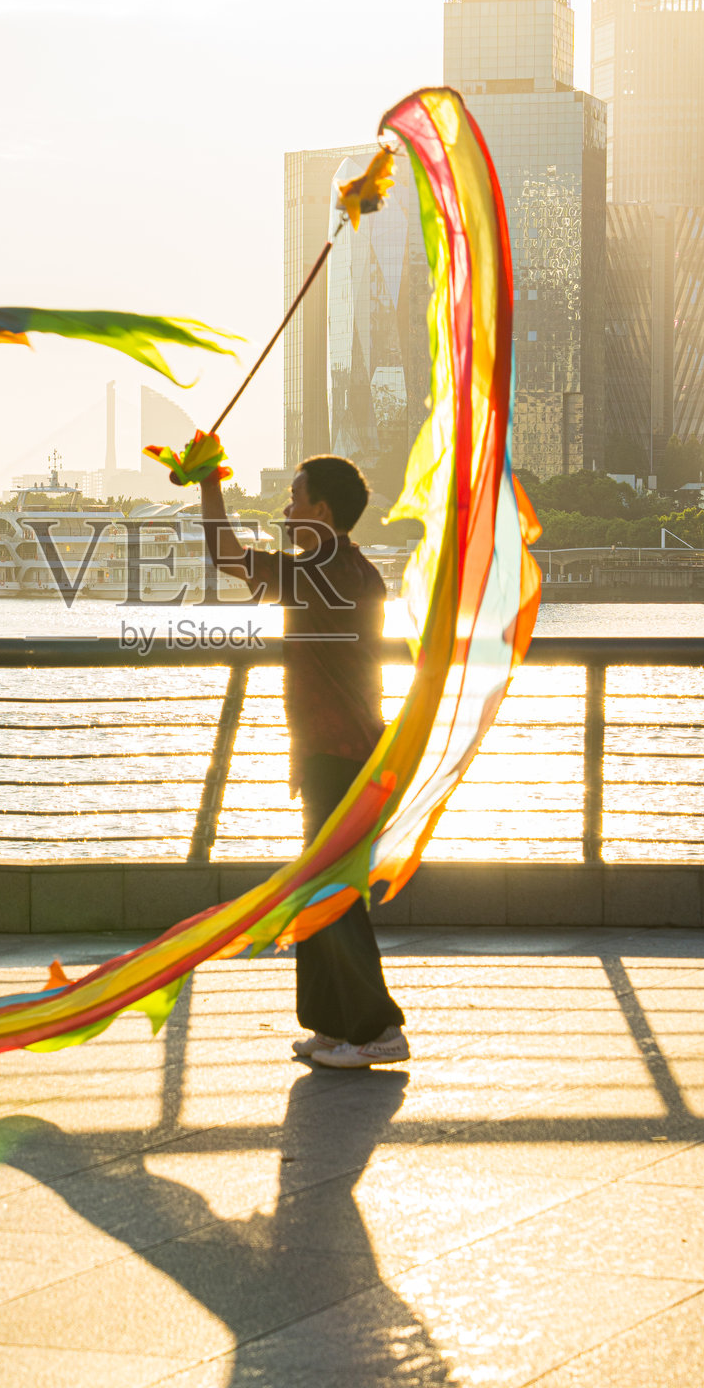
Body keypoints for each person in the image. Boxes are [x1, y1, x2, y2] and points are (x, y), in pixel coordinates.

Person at [197, 454, 407, 1069]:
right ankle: (330, 1023)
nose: (287, 511)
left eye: (295, 499)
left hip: (340, 753)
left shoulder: (325, 573)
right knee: (322, 888)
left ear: (322, 511)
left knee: (335, 893)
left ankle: (376, 1029)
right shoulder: (348, 568)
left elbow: (228, 557)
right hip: (336, 749)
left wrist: (211, 486)